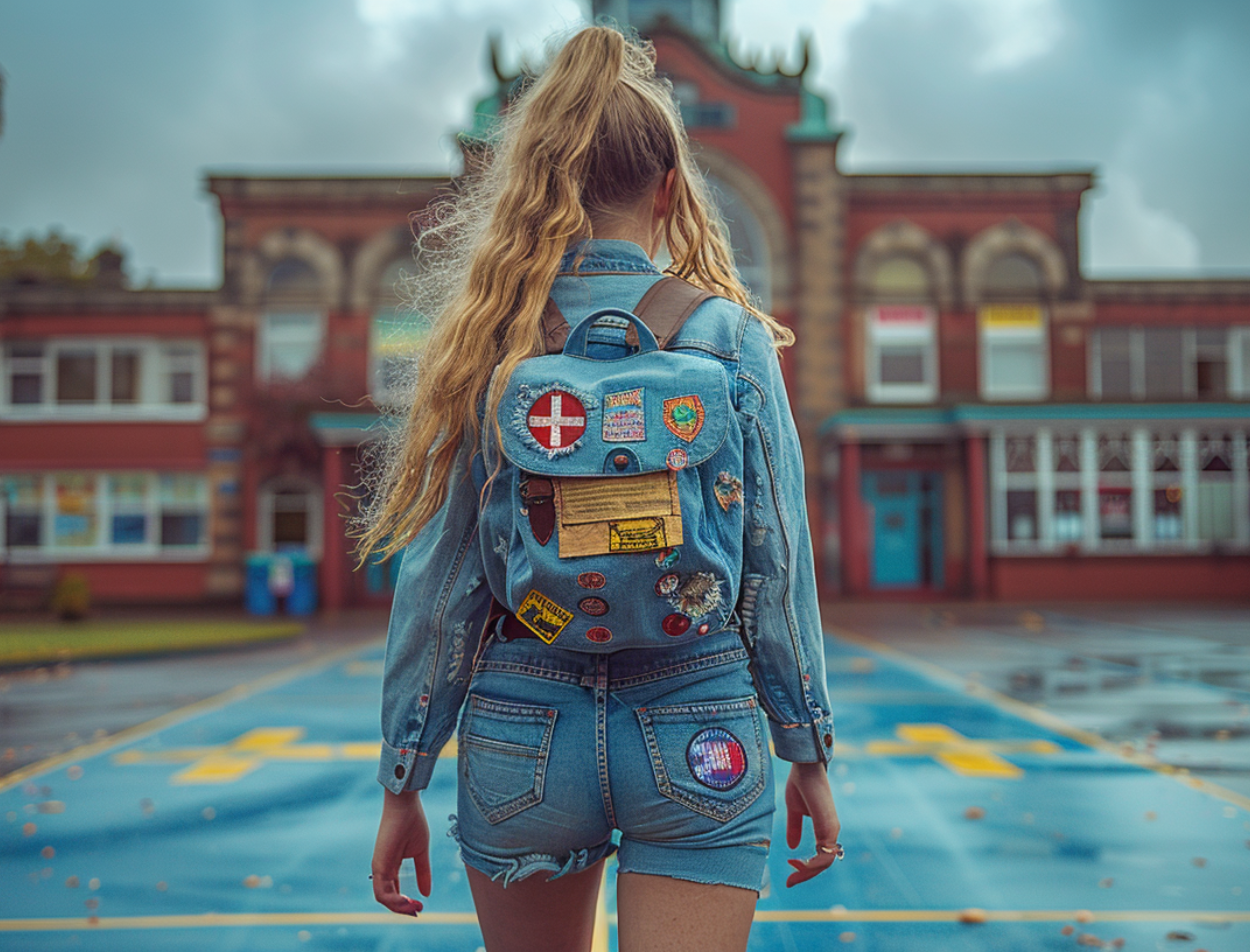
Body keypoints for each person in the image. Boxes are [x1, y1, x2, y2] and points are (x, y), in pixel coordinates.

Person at [354, 24, 840, 952]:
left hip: (520, 731)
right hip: (702, 717)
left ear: (541, 182)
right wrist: (806, 747)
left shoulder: (491, 340)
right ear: (669, 190)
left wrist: (403, 776)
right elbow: (775, 565)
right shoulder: (729, 338)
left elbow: (441, 578)